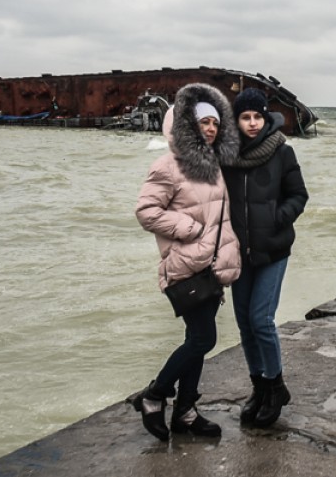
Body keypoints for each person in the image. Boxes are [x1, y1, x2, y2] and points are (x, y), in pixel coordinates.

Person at [127, 83, 242, 441]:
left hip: (209, 268)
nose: (210, 128)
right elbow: (146, 212)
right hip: (184, 264)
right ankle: (155, 395)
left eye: (214, 123)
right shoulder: (168, 165)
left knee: (198, 337)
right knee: (203, 339)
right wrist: (190, 229)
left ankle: (186, 412)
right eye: (202, 123)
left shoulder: (214, 165)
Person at [223, 88, 308, 428]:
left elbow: (299, 195)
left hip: (273, 249)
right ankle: (259, 386)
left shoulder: (281, 152)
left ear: (265, 117)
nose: (253, 123)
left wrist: (275, 217)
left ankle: (275, 385)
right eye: (246, 117)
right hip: (238, 252)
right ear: (237, 120)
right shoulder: (225, 155)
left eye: (258, 116)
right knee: (245, 325)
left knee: (261, 319)